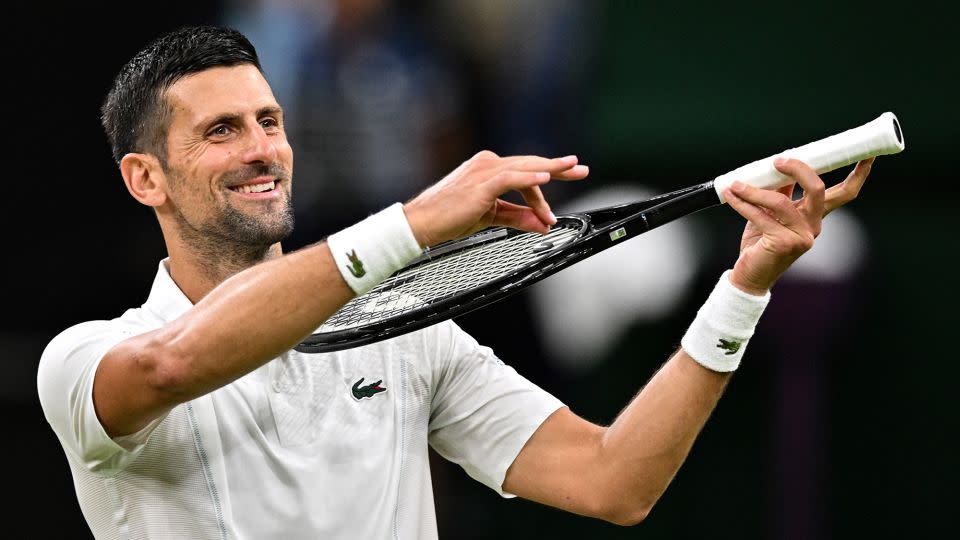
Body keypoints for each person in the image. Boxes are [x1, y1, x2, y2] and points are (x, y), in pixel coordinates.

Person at [36, 25, 874, 539]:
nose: (261, 149)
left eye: (270, 122)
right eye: (222, 130)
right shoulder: (88, 359)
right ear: (146, 179)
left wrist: (746, 286)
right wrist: (413, 224)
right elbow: (175, 365)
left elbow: (613, 480)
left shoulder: (413, 332)